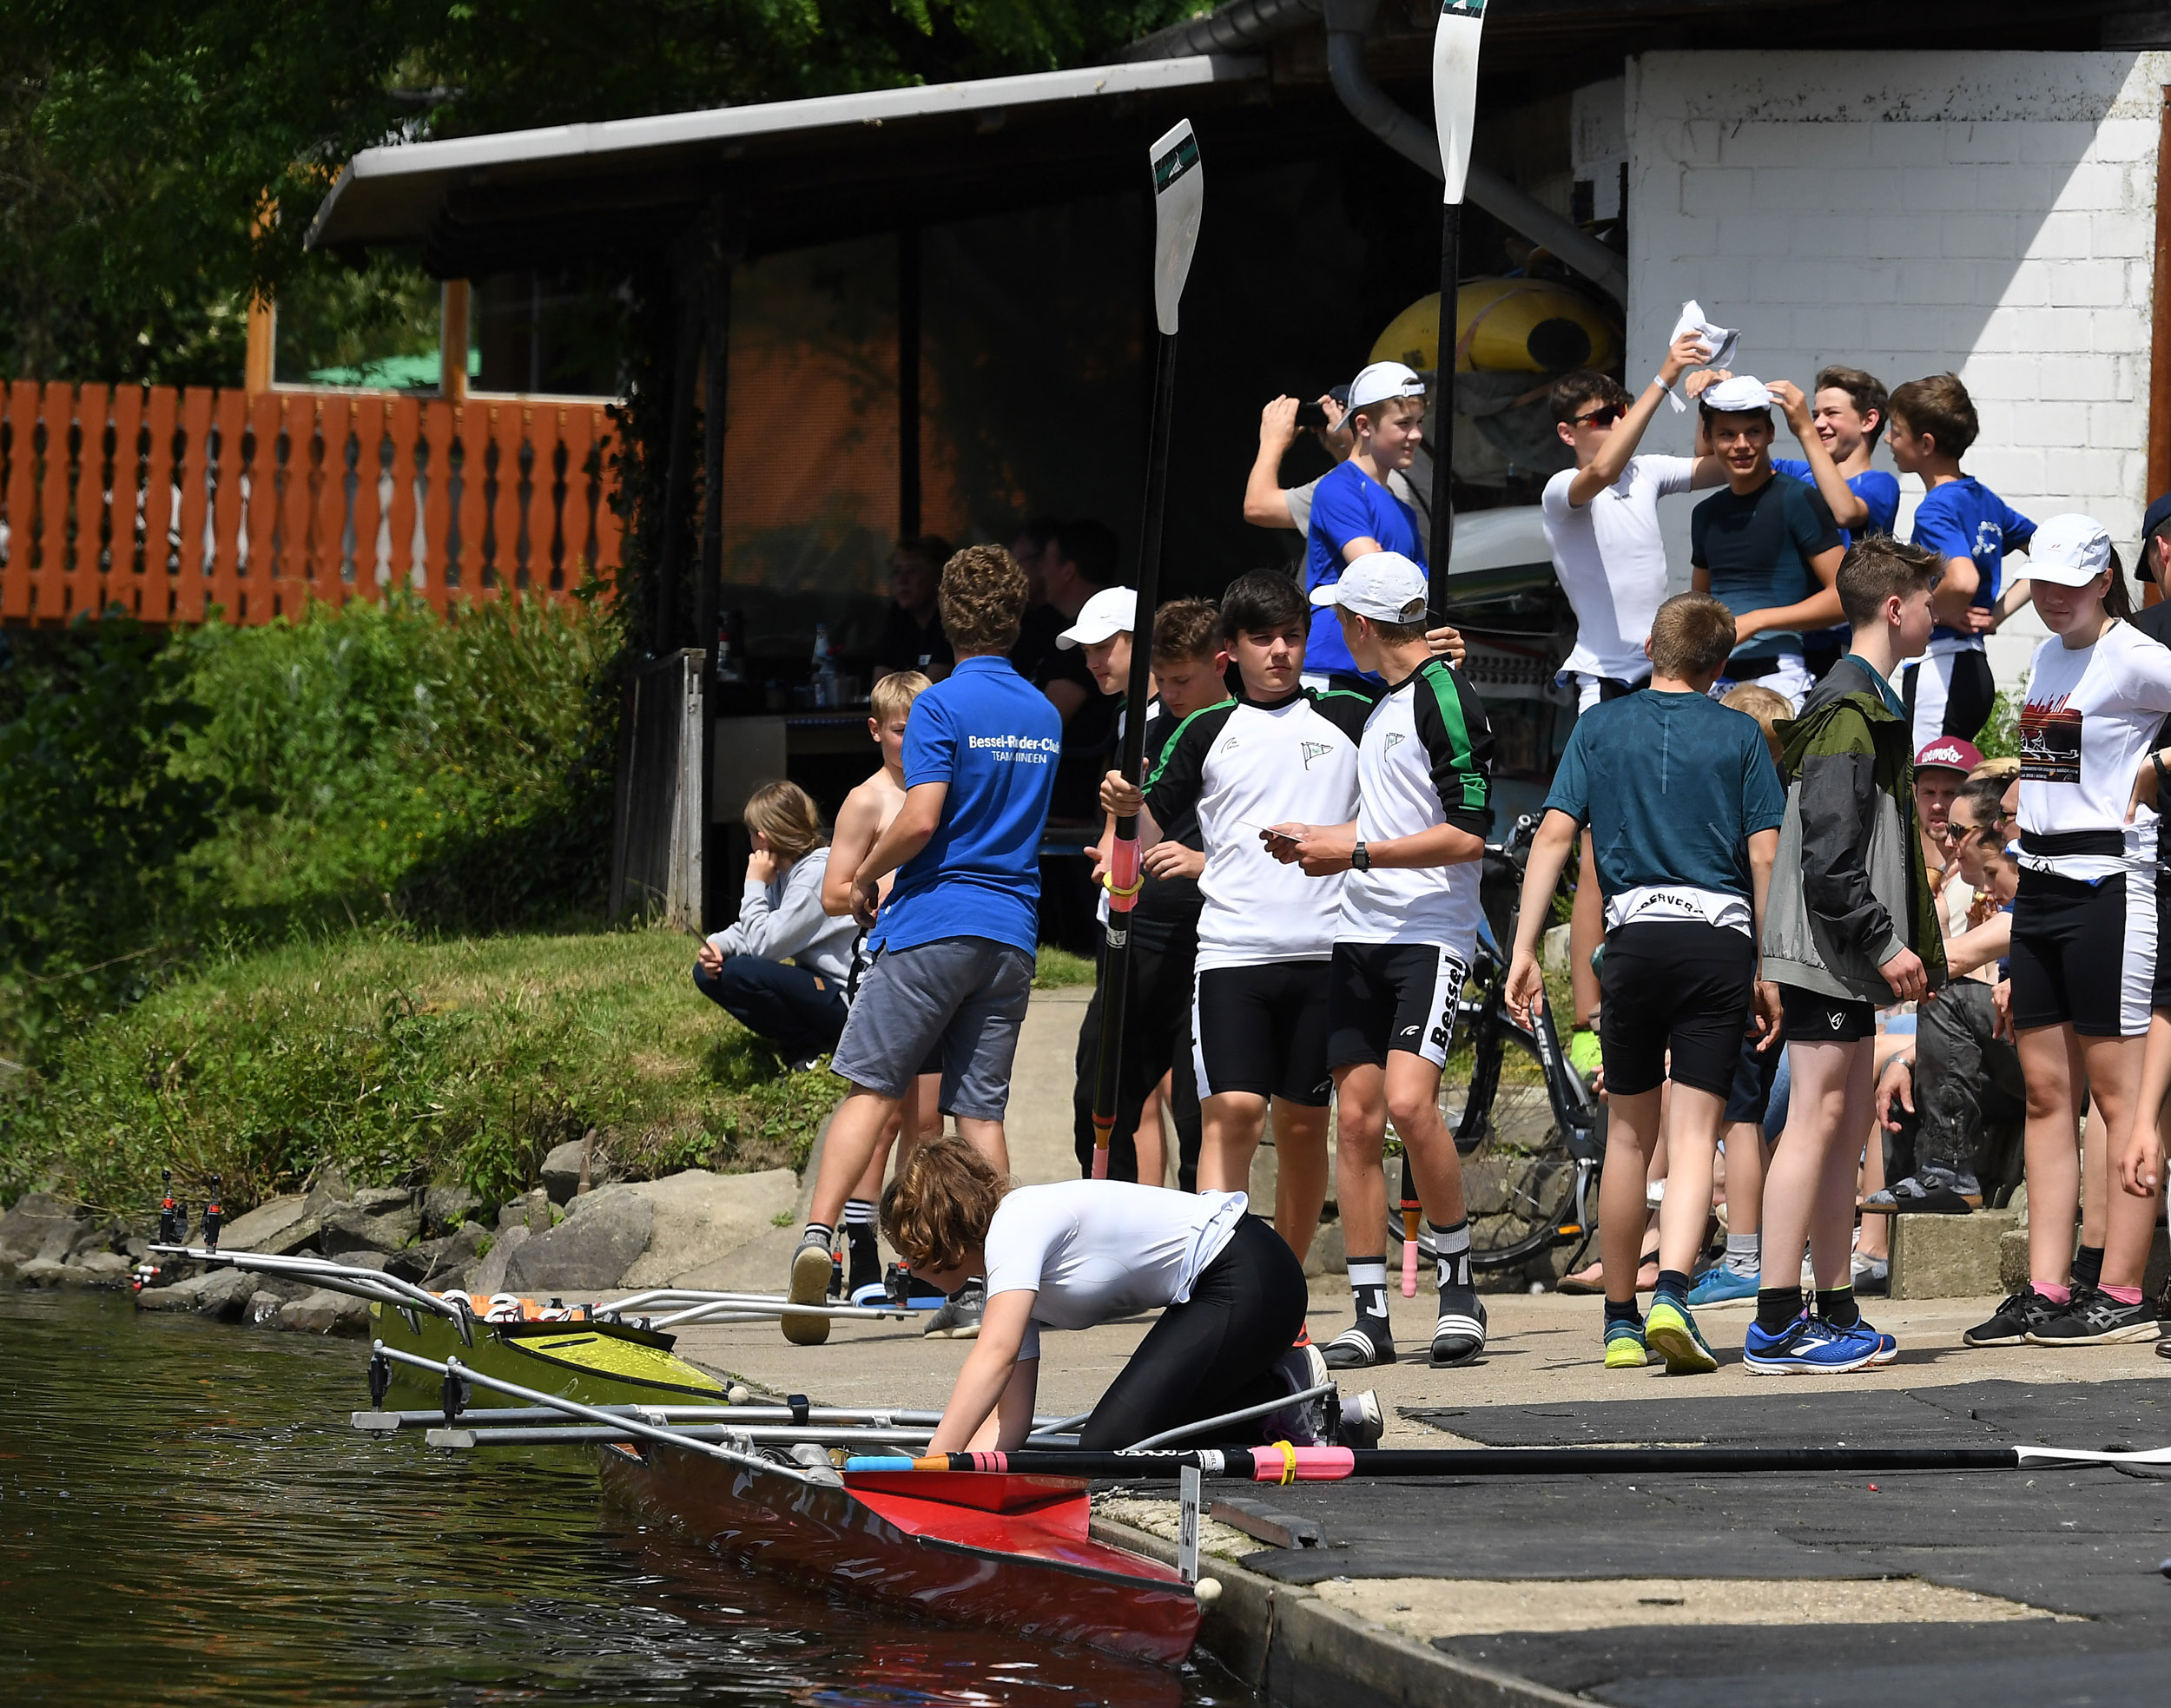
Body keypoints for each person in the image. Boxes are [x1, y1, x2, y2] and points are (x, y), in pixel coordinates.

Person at [787, 544, 1059, 1346]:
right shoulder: (1043, 713)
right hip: (1011, 931)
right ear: (1017, 618)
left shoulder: (939, 704)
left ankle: (817, 1238)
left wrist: (870, 874)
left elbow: (923, 814)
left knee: (872, 1090)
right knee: (978, 1112)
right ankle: (995, 1279)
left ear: (947, 618)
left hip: (936, 919)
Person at [1508, 594, 1785, 1375]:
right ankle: (1674, 1293)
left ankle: (1620, 1320)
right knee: (1695, 1134)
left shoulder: (1600, 726)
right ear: (1720, 665)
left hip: (1631, 941)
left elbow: (1557, 834)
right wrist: (1770, 965)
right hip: (1717, 940)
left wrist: (1525, 946)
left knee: (1628, 1136)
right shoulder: (1737, 731)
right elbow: (1764, 857)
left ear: (1650, 647)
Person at [1099, 570, 1373, 1265]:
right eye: (1262, 639)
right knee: (1234, 1116)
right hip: (1232, 956)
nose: (1279, 651)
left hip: (1326, 955)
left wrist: (1438, 664)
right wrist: (1122, 808)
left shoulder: (1349, 713)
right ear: (1231, 650)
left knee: (1306, 1128)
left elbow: (1405, 776)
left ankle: (1283, 1282)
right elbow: (1147, 821)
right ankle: (1222, 1278)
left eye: (1291, 636)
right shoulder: (1203, 728)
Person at [1263, 553, 1495, 1369]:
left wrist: (1352, 850)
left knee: (1408, 1103)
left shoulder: (1446, 696)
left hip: (1429, 934)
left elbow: (1470, 832)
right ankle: (1368, 1309)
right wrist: (1319, 842)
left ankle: (1459, 1283)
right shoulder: (1387, 697)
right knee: (1354, 1119)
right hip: (1360, 933)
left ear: (1362, 624)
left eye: (1339, 622)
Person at [1968, 516, 2171, 1349]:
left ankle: (2122, 1288)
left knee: (2121, 1099)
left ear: (2104, 580)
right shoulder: (2050, 656)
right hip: (2041, 885)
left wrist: (2164, 767)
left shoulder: (2134, 654)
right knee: (2050, 1096)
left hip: (2112, 887)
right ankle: (2049, 1286)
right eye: (2040, 581)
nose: (2048, 595)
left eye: (2067, 581)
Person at [1752, 536, 1949, 1374]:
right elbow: (1829, 858)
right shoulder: (1846, 711)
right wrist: (1882, 939)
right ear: (1895, 608)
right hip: (1829, 948)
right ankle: (1773, 1320)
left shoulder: (1862, 701)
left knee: (1842, 1123)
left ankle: (1833, 1307)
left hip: (1839, 951)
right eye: (1928, 601)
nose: (1937, 614)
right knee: (1817, 1120)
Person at [885, 1138, 1379, 1454]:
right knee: (1127, 1439)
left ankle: (1283, 1396)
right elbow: (1012, 1417)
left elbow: (993, 1357)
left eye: (908, 1249)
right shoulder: (1008, 1275)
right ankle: (1291, 1407)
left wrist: (932, 1464)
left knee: (1110, 1447)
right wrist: (962, 1474)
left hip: (1248, 1273)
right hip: (1229, 1288)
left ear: (937, 1232)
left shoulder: (1014, 1222)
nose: (906, 1265)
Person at [1540, 336, 1727, 1077]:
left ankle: (1662, 989)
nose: (1616, 421)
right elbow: (1604, 468)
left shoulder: (1645, 470)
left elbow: (1717, 467)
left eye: (1620, 409)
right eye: (1600, 414)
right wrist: (1663, 378)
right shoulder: (1564, 488)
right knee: (1595, 848)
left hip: (1668, 673)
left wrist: (1708, 399)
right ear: (1569, 430)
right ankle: (1589, 1014)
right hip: (1608, 679)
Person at [1072, 597, 1228, 1189]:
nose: (1170, 691)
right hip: (1138, 934)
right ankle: (1113, 1233)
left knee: (1196, 1107)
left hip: (1215, 938)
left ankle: (1199, 1253)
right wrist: (1113, 847)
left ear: (1222, 662)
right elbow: (1126, 820)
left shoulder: (1251, 725)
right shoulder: (1141, 720)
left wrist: (1202, 861)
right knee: (1100, 1090)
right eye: (1161, 681)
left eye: (1181, 679)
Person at [822, 669, 941, 1306]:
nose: (913, 739)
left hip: (937, 961)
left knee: (928, 1114)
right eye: (901, 730)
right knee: (887, 1111)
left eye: (924, 726)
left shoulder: (941, 790)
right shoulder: (868, 799)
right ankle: (860, 1238)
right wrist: (877, 888)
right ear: (877, 731)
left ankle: (918, 1248)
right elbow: (833, 889)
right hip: (883, 958)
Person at [1871, 774, 2023, 1215]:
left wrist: (1844, 984)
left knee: (1946, 994)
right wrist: (1905, 1059)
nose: (1990, 888)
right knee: (1904, 1083)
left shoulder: (2035, 900)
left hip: (2059, 1063)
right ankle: (1882, 1240)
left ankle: (1950, 1171)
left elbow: (1948, 963)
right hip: (2017, 1052)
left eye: (2009, 819)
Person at [1689, 681, 1795, 1309]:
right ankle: (1746, 1256)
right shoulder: (1779, 801)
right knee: (1740, 1115)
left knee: (1741, 1118)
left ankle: (1745, 1257)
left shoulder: (1740, 810)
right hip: (1760, 971)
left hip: (1744, 971)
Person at [1886, 373, 2036, 747]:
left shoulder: (1935, 507)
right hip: (1973, 669)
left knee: (1924, 786)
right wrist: (1995, 616)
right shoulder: (1984, 499)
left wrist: (1935, 612)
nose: (1888, 440)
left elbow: (1963, 579)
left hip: (1943, 667)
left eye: (1896, 431)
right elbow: (2050, 552)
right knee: (1946, 790)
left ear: (1925, 443)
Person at [1689, 375, 1847, 710]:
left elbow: (1845, 596)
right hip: (1711, 681)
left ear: (1771, 433)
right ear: (1709, 438)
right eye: (1727, 434)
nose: (1742, 444)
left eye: (1753, 432)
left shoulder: (1798, 498)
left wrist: (1758, 620)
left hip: (1778, 679)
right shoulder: (1705, 513)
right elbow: (1699, 606)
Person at [695, 781, 861, 1071]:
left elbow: (764, 946)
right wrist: (717, 945)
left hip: (847, 1003)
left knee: (740, 971)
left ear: (762, 839)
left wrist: (754, 883)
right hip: (820, 988)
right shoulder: (786, 874)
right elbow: (756, 927)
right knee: (709, 973)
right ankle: (807, 1039)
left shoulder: (814, 876)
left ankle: (810, 1044)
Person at [1303, 362, 1429, 682]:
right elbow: (1378, 581)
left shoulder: (1405, 512)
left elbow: (1418, 598)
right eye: (1403, 423)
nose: (1416, 435)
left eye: (1418, 422)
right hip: (1333, 671)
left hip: (1381, 674)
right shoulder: (1338, 488)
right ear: (1364, 425)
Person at [1913, 735, 1986, 937]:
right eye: (1928, 792)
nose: (1937, 804)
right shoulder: (1936, 871)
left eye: (1950, 793)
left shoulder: (1983, 878)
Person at [872, 535, 955, 682]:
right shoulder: (897, 616)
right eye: (897, 571)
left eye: (912, 570)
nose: (902, 580)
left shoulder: (952, 621)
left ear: (939, 575)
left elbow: (930, 692)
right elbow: (880, 688)